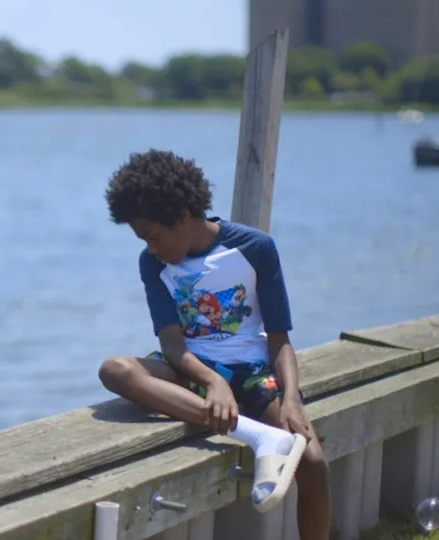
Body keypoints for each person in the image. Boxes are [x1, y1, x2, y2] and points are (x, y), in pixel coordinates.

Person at [97, 149, 332, 539]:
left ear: (183, 215)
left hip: (252, 373)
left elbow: (280, 340)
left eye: (153, 236)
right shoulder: (153, 264)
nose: (151, 248)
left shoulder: (255, 248)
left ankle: (263, 432)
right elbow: (172, 345)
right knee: (115, 370)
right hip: (190, 370)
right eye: (144, 240)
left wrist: (291, 398)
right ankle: (257, 435)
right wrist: (212, 381)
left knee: (313, 462)